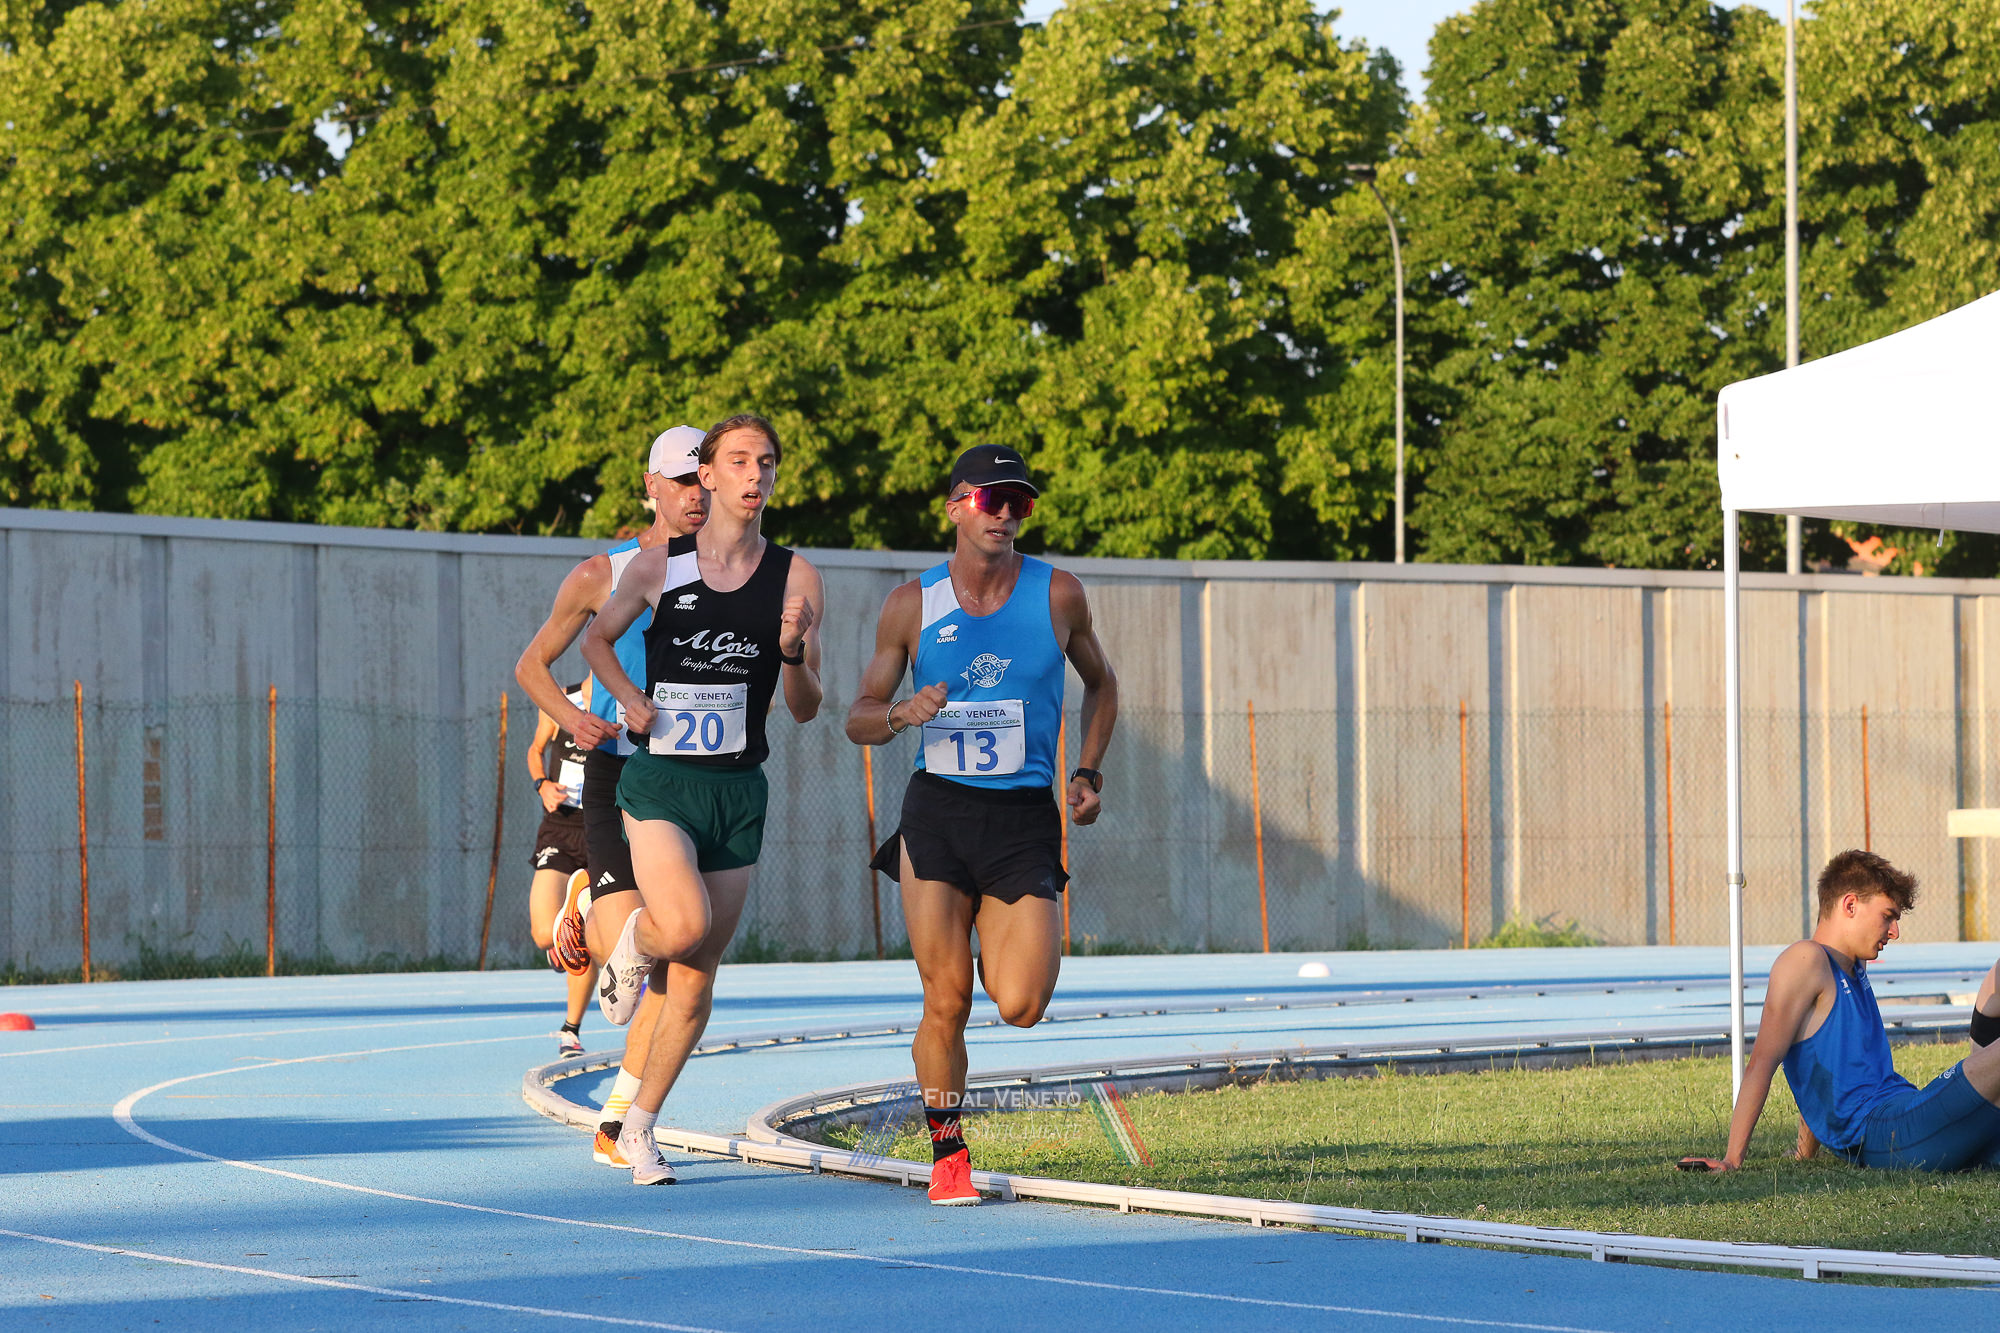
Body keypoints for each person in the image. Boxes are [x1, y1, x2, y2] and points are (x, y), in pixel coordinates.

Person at [844, 444, 1118, 1205]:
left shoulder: (1058, 593)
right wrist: (902, 712)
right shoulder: (912, 604)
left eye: (1018, 501)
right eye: (991, 499)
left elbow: (1103, 686)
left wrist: (1088, 772)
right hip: (937, 814)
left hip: (1022, 820)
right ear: (955, 507)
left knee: (1022, 1003)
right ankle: (949, 1154)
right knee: (947, 999)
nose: (1005, 513)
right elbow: (858, 717)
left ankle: (987, 948)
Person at [582, 412, 825, 1186]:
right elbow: (595, 640)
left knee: (695, 979)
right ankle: (634, 940)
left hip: (738, 789)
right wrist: (629, 697)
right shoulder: (659, 566)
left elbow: (808, 706)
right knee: (681, 925)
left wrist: (792, 653)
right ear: (710, 474)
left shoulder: (796, 577)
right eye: (740, 461)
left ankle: (639, 1125)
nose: (756, 475)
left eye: (768, 462)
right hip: (662, 781)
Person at [513, 425, 707, 1167]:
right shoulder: (604, 572)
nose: (695, 494)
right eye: (681, 480)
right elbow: (533, 664)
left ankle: (618, 1121)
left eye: (704, 480)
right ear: (651, 486)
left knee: (680, 963)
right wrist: (573, 720)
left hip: (698, 779)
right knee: (640, 951)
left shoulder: (735, 573)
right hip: (620, 773)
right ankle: (590, 910)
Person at [1682, 849, 2000, 1173]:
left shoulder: (1853, 965)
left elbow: (1821, 1061)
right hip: (1892, 1131)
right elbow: (1762, 1063)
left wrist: (1805, 1152)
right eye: (1887, 916)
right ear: (1850, 905)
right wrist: (1732, 1160)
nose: (1894, 932)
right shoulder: (1804, 960)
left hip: (1912, 1115)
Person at [523, 681, 595, 1057]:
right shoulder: (561, 699)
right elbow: (536, 750)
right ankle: (559, 940)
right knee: (543, 934)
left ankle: (571, 1030)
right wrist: (542, 785)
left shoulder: (630, 703)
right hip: (561, 828)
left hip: (604, 833)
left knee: (582, 936)